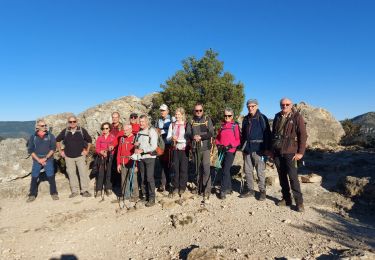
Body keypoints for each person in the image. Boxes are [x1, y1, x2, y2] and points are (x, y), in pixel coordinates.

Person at [271, 98, 307, 212]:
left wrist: (300, 152)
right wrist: (272, 150)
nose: (284, 106)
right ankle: (286, 199)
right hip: (277, 151)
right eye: (282, 104)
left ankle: (299, 203)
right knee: (282, 177)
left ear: (291, 105)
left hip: (290, 151)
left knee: (293, 177)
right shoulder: (277, 116)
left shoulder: (297, 117)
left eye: (287, 104)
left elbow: (303, 135)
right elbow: (274, 134)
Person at [240, 99, 271, 201]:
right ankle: (250, 190)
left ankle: (262, 191)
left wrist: (266, 149)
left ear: (257, 106)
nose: (250, 108)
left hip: (259, 149)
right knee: (248, 171)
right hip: (248, 149)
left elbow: (267, 134)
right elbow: (243, 135)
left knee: (260, 171)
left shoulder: (262, 118)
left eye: (252, 106)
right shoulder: (245, 119)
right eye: (248, 106)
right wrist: (243, 149)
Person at [56, 116, 93, 198]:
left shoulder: (82, 130)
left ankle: (85, 191)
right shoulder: (65, 131)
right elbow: (57, 140)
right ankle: (74, 191)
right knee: (72, 174)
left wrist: (87, 150)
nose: (72, 123)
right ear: (68, 122)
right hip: (68, 157)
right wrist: (60, 151)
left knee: (83, 173)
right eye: (70, 122)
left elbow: (89, 140)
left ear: (77, 121)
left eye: (74, 121)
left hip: (80, 156)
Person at [186, 103, 214, 201]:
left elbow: (211, 133)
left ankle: (206, 190)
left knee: (206, 169)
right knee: (197, 169)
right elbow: (188, 133)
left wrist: (201, 137)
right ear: (194, 111)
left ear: (203, 110)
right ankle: (199, 188)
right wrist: (193, 136)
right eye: (196, 110)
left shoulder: (207, 120)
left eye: (200, 110)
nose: (198, 112)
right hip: (195, 148)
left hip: (205, 148)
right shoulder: (191, 121)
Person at [26, 119, 58, 202]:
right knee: (34, 176)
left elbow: (53, 149)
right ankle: (32, 195)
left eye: (45, 125)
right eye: (42, 126)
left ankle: (54, 193)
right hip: (37, 159)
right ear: (37, 127)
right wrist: (39, 160)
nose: (44, 127)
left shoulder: (50, 136)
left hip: (48, 159)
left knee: (51, 176)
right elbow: (30, 150)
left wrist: (45, 158)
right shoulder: (33, 137)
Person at [215, 108, 241, 200]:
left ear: (232, 116)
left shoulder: (235, 126)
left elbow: (238, 140)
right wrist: (218, 145)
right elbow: (217, 138)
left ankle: (223, 190)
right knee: (225, 169)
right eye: (225, 115)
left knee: (225, 170)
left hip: (230, 151)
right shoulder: (221, 126)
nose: (227, 117)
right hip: (221, 151)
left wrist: (231, 146)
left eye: (229, 116)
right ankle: (229, 188)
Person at [134, 115, 158, 207]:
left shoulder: (151, 131)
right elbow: (137, 145)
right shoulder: (139, 133)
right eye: (140, 121)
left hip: (150, 158)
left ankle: (152, 198)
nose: (141, 123)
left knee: (149, 178)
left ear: (147, 122)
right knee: (143, 178)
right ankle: (145, 196)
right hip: (141, 158)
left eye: (143, 121)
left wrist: (143, 150)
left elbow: (154, 146)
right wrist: (136, 146)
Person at [166, 107, 189, 197]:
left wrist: (181, 140)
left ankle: (182, 187)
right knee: (175, 168)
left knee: (183, 169)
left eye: (178, 114)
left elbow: (188, 137)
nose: (177, 116)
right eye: (176, 114)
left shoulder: (186, 124)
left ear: (182, 115)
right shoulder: (172, 125)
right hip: (175, 148)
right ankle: (176, 187)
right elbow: (168, 138)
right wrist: (172, 138)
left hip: (184, 148)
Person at [155, 104, 174, 192]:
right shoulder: (158, 120)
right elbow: (156, 130)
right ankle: (163, 183)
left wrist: (161, 131)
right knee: (162, 164)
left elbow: (173, 130)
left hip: (169, 145)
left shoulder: (172, 119)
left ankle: (169, 183)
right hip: (161, 145)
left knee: (169, 164)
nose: (162, 112)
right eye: (161, 110)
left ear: (167, 111)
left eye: (163, 110)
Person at [116, 124, 138, 201]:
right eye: (123, 130)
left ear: (130, 130)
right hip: (122, 161)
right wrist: (118, 164)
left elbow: (137, 152)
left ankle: (135, 196)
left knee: (133, 179)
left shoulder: (135, 138)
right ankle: (125, 195)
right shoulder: (122, 139)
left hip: (132, 161)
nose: (124, 132)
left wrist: (136, 165)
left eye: (126, 130)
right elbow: (118, 152)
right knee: (123, 179)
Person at [95, 122, 116, 197]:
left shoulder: (113, 137)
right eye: (103, 128)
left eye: (106, 128)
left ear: (109, 129)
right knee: (100, 173)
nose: (105, 130)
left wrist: (109, 151)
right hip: (101, 158)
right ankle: (99, 189)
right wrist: (101, 152)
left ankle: (108, 187)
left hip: (109, 157)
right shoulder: (99, 138)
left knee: (109, 173)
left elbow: (114, 147)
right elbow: (97, 148)